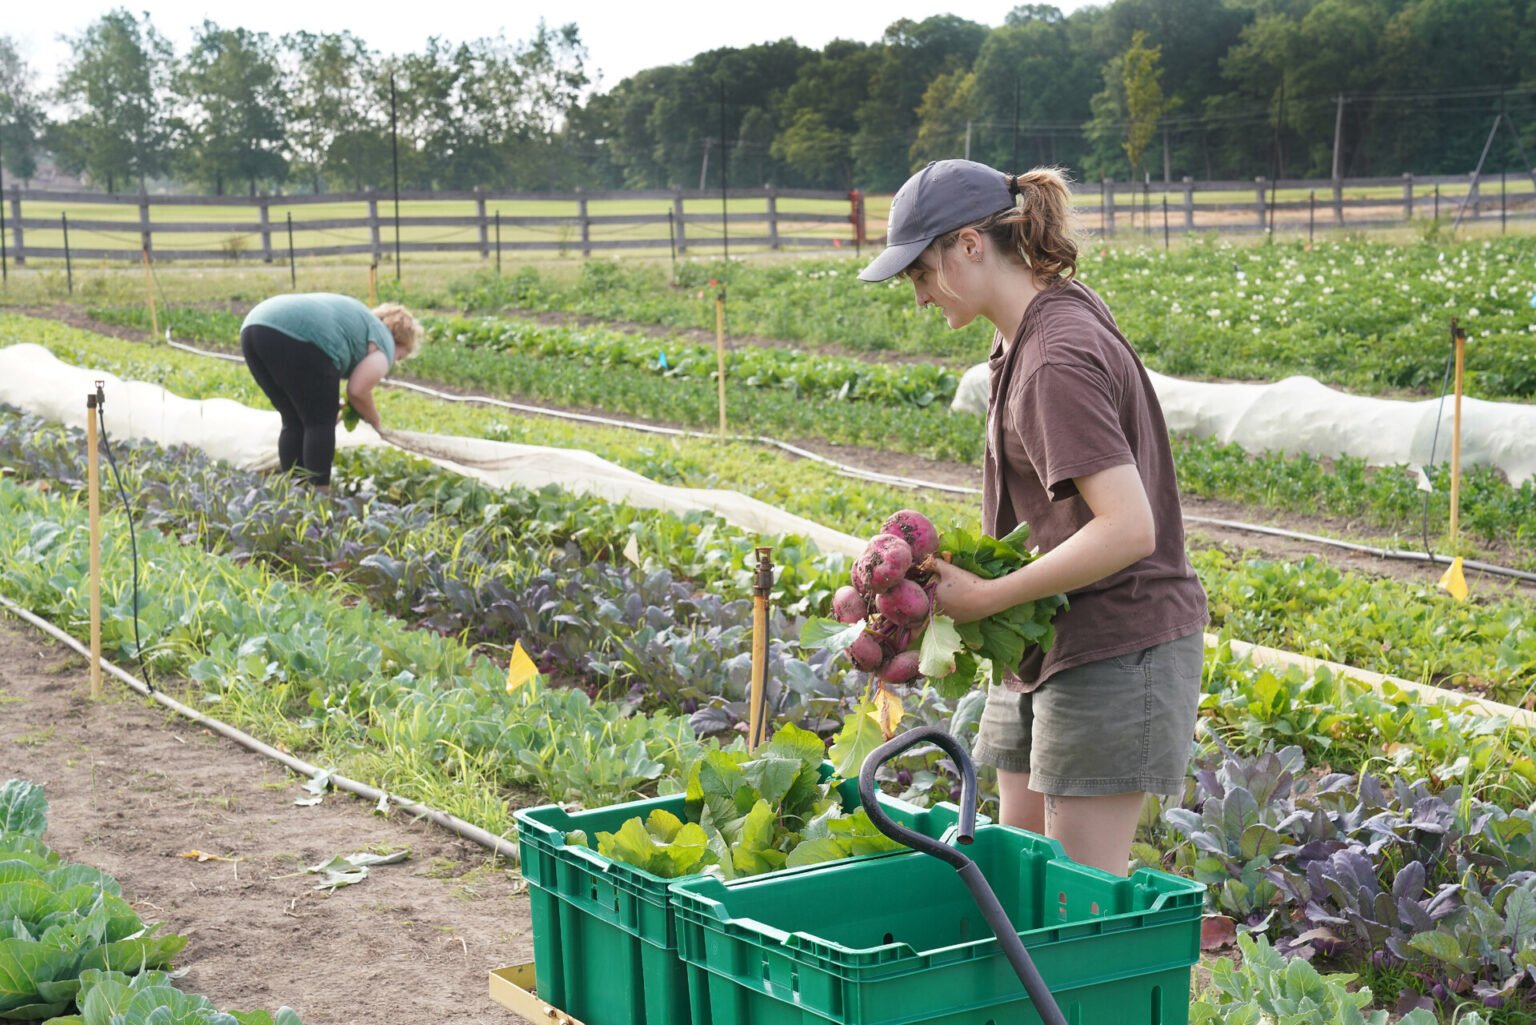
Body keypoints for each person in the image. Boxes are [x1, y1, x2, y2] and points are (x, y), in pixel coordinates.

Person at [858, 160, 1208, 876]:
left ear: (969, 245)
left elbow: (1128, 527)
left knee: (1071, 905)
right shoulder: (1024, 333)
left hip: (1114, 640)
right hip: (1043, 641)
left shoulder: (1053, 355)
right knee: (1013, 875)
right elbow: (1055, 509)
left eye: (921, 273)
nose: (921, 297)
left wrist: (985, 596)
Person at [239, 293, 423, 488]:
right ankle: (319, 499)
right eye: (401, 357)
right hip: (300, 336)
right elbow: (357, 391)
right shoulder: (385, 341)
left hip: (254, 328)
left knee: (294, 419)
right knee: (319, 423)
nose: (395, 361)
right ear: (400, 342)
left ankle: (294, 493)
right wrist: (376, 421)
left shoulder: (360, 321)